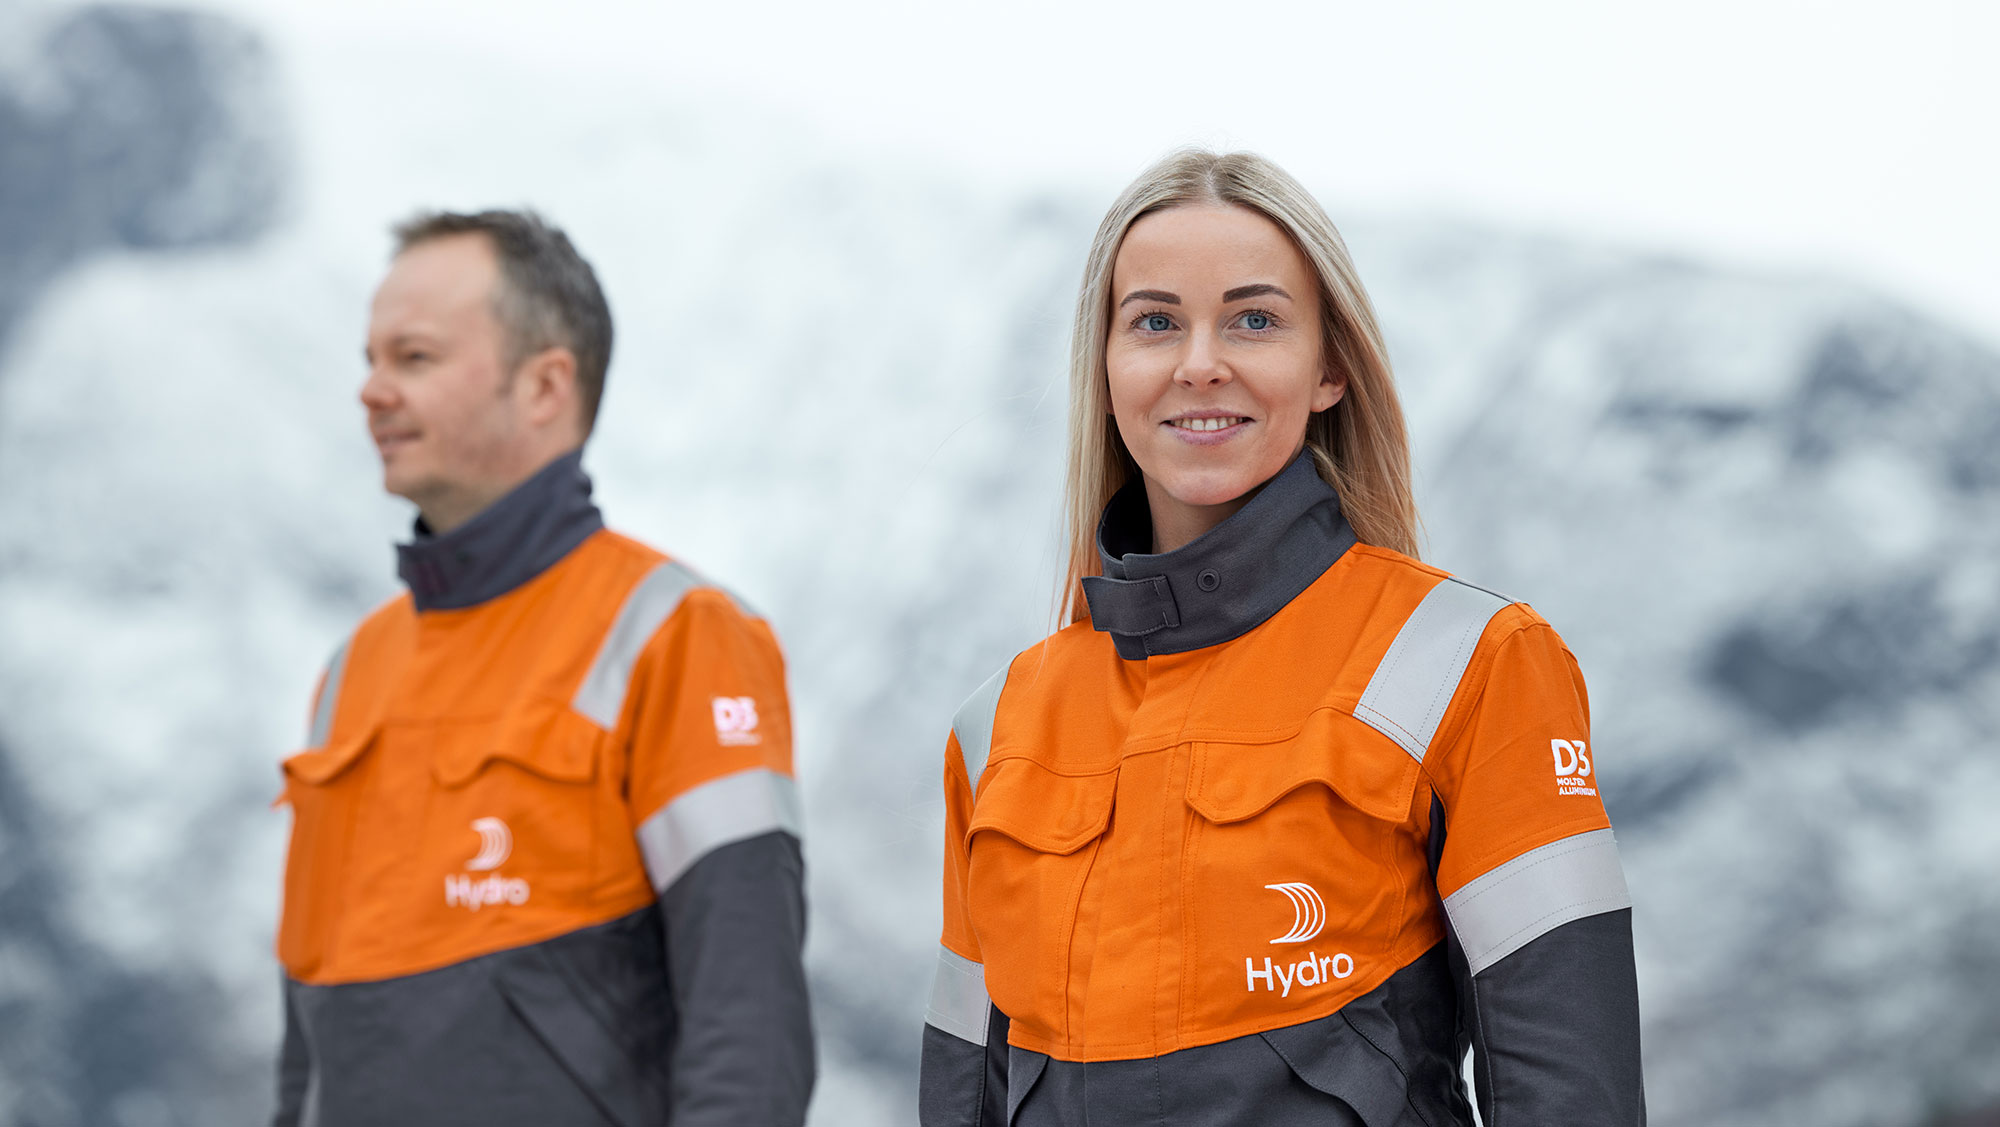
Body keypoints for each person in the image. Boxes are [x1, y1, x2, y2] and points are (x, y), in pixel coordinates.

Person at [918, 151, 1644, 1125]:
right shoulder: (996, 730)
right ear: (1104, 371)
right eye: (1154, 322)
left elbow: (1574, 1092)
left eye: (1253, 320)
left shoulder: (1472, 661)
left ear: (1330, 368)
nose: (1198, 363)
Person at [273, 210, 814, 1126]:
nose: (370, 390)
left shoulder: (677, 635)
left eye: (413, 358)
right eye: (370, 359)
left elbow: (748, 1027)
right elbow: (307, 1046)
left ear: (545, 386)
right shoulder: (350, 670)